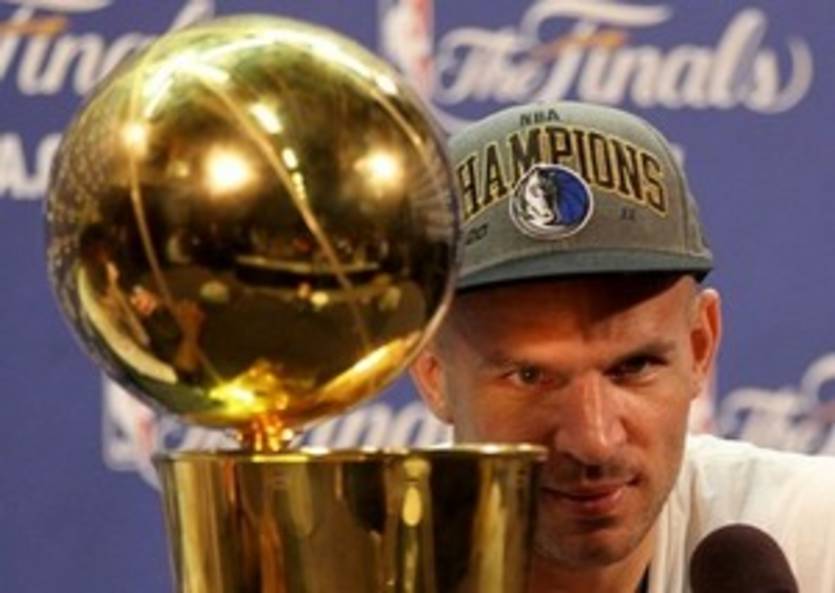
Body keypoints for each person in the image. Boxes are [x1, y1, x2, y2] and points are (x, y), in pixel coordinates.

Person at [410, 102, 835, 593]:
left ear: (700, 347)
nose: (594, 441)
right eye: (529, 376)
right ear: (433, 373)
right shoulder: (358, 564)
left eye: (634, 366)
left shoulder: (816, 536)